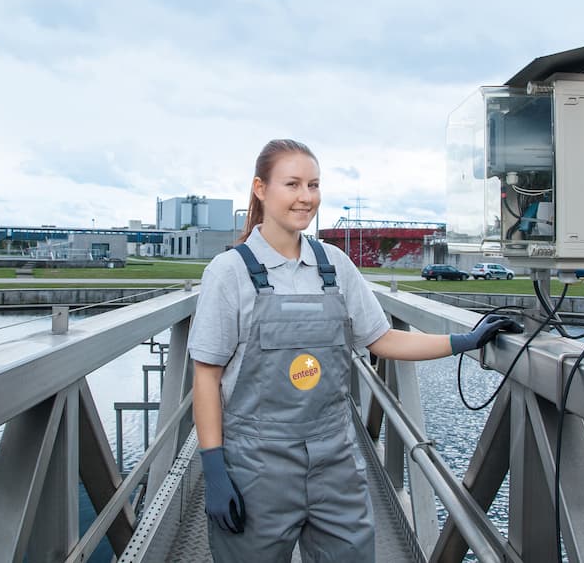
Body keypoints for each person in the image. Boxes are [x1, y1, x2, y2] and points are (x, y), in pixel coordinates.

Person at [187, 139, 519, 562]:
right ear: (260, 188)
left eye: (313, 184)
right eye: (292, 184)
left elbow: (382, 339)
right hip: (258, 466)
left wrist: (463, 341)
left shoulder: (335, 265)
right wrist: (214, 468)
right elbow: (206, 375)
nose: (306, 197)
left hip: (335, 461)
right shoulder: (229, 272)